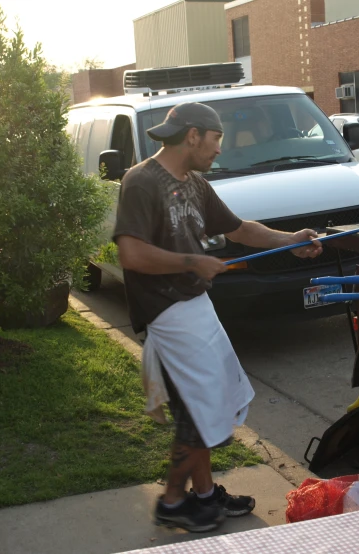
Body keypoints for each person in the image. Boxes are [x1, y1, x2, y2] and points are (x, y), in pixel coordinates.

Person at [112, 102, 323, 533]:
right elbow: (130, 254)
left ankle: (205, 496)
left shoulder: (194, 184)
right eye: (216, 139)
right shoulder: (141, 181)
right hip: (167, 315)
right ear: (193, 135)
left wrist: (291, 240)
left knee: (211, 407)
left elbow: (240, 229)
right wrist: (192, 261)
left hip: (196, 309)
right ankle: (173, 501)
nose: (219, 150)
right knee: (198, 412)